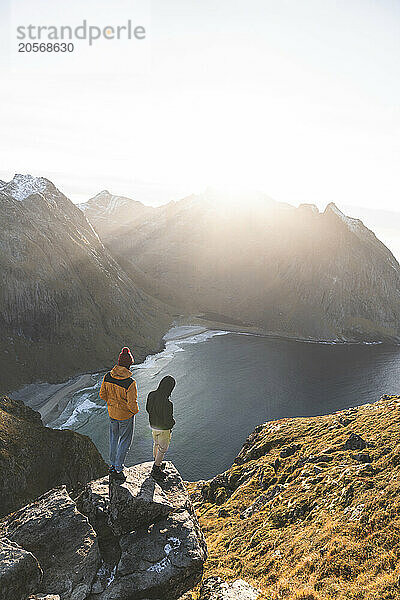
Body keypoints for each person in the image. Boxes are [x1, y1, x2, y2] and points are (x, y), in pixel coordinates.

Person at [99, 347, 138, 481]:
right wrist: (135, 411)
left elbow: (102, 395)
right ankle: (118, 468)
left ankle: (112, 465)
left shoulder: (107, 376)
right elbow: (132, 404)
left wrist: (112, 402)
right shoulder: (130, 383)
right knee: (125, 441)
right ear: (129, 364)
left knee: (113, 439)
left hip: (112, 414)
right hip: (125, 416)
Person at [146, 375, 176, 479]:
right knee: (163, 448)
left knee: (156, 444)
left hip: (153, 426)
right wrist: (173, 423)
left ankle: (157, 462)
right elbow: (168, 421)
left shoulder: (151, 395)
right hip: (163, 430)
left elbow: (148, 409)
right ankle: (156, 468)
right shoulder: (168, 403)